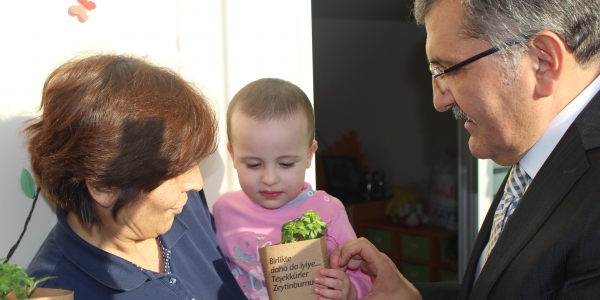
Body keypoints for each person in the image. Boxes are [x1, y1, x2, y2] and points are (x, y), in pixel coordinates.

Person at [332, 0, 600, 299]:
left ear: (543, 61)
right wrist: (410, 296)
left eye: (449, 70)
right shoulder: (538, 148)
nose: (439, 100)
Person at [24, 53, 246, 299]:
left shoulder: (182, 205)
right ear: (104, 187)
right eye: (176, 169)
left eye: (193, 163)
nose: (196, 183)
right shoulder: (57, 291)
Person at [213, 78, 372, 300]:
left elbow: (364, 276)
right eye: (253, 164)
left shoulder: (329, 212)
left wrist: (351, 290)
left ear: (309, 155)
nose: (269, 179)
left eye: (286, 164)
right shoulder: (223, 210)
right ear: (233, 155)